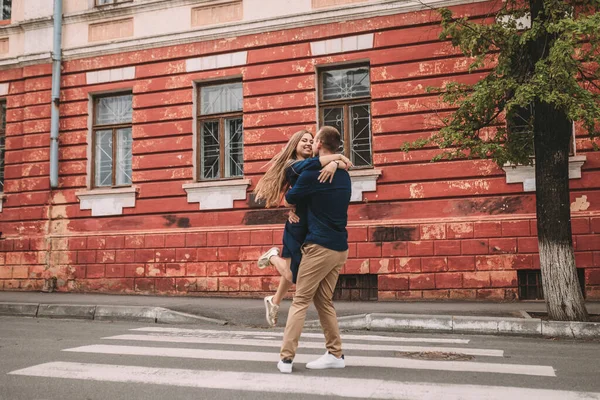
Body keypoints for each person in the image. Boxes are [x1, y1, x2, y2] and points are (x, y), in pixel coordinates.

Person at [253, 129, 351, 327]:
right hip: (297, 225)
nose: (308, 143)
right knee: (292, 274)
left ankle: (274, 302)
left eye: (310, 140)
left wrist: (334, 163)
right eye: (303, 141)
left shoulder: (317, 162)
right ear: (295, 144)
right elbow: (308, 171)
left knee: (294, 271)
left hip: (310, 224)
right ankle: (272, 256)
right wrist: (337, 158)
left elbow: (346, 165)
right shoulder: (293, 166)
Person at [277, 126, 352, 374]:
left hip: (319, 246)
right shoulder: (344, 175)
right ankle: (335, 354)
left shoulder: (312, 175)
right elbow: (343, 164)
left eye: (313, 140)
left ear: (319, 143)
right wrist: (336, 162)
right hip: (341, 248)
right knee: (324, 302)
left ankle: (286, 359)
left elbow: (290, 200)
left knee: (300, 301)